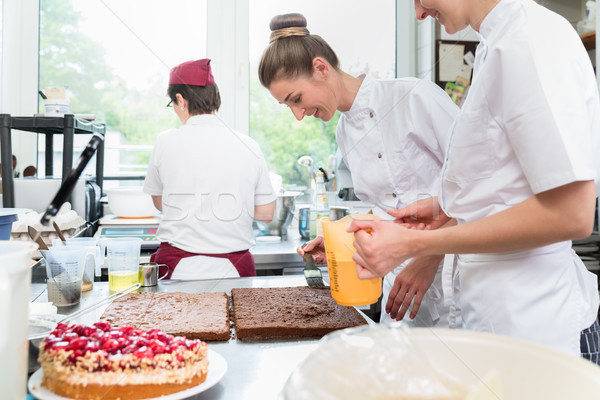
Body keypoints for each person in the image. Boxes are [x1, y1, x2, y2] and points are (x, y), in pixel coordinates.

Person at [348, 0, 600, 363]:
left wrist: (417, 245)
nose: (418, 14)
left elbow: (570, 214)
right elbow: (510, 184)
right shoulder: (495, 45)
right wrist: (446, 208)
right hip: (501, 331)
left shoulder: (527, 40)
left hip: (542, 333)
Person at [258, 13, 460, 325]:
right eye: (289, 107)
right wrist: (345, 240)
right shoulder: (344, 132)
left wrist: (429, 256)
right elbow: (387, 212)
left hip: (455, 279)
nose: (298, 115)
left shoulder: (413, 96)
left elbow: (479, 188)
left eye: (296, 99)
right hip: (400, 291)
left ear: (321, 68)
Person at [143, 58, 276, 280]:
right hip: (235, 271)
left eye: (172, 105)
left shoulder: (166, 141)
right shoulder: (249, 144)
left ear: (180, 99)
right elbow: (266, 213)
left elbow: (160, 203)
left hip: (177, 270)